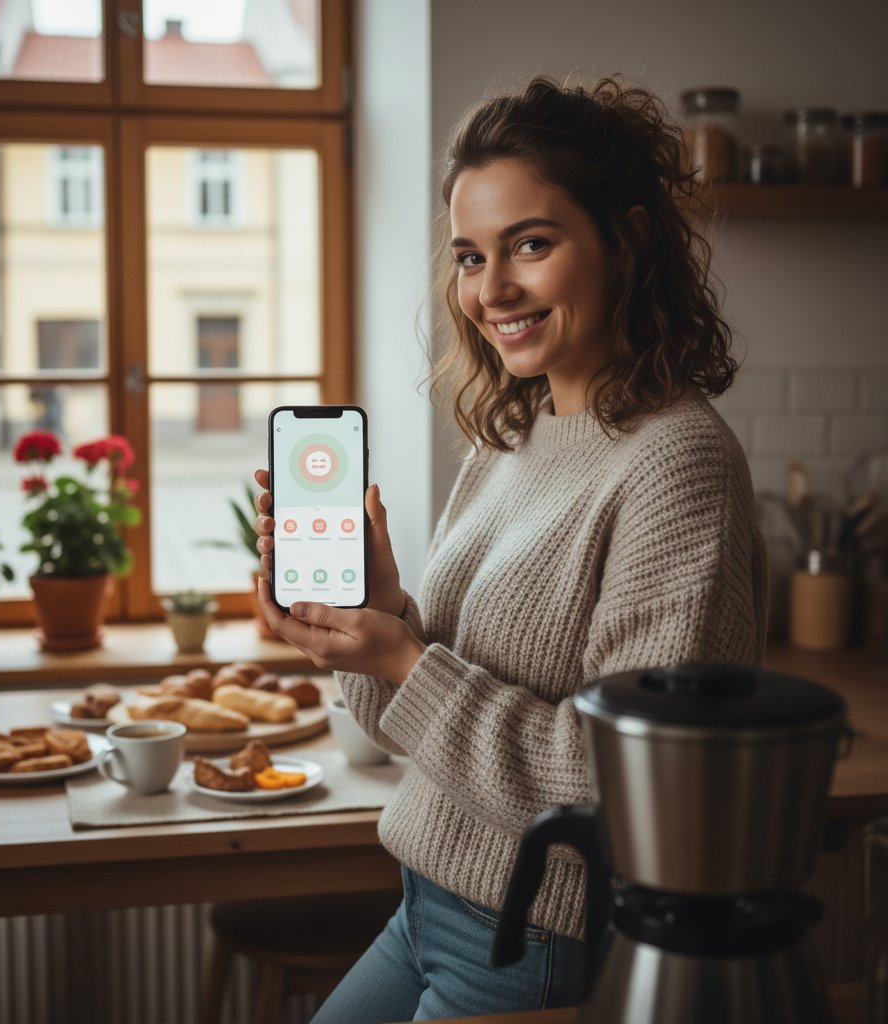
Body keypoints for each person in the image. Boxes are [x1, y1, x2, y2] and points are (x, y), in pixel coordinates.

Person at [252, 74, 768, 1022]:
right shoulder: (514, 435)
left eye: (531, 243)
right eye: (468, 256)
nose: (491, 291)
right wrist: (375, 622)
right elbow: (399, 716)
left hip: (536, 937)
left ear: (631, 238)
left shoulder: (678, 463)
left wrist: (408, 658)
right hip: (426, 903)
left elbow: (631, 788)